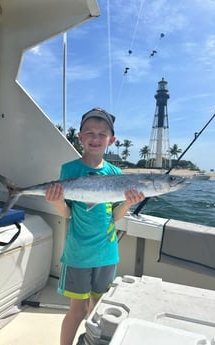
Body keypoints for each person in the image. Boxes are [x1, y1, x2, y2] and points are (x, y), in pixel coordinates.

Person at [45, 107, 145, 345]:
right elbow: (68, 213)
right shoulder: (70, 169)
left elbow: (115, 217)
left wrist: (129, 204)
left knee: (98, 310)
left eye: (102, 133)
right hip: (79, 253)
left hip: (107, 253)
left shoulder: (116, 173)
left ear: (112, 140)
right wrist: (58, 201)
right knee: (77, 311)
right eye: (89, 132)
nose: (95, 138)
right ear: (79, 136)